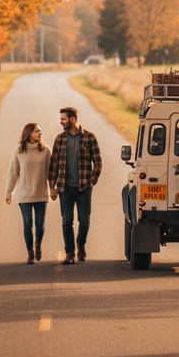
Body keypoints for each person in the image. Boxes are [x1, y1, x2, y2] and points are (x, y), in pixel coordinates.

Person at [49, 106, 102, 265]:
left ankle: (81, 243)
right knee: (66, 221)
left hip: (84, 187)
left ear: (72, 119)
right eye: (61, 119)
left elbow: (97, 162)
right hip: (65, 188)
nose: (61, 122)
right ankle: (70, 253)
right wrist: (52, 187)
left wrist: (92, 180)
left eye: (63, 119)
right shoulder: (60, 139)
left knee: (84, 220)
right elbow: (54, 164)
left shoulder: (89, 137)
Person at [5, 123, 51, 264]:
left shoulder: (46, 150)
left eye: (40, 131)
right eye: (37, 131)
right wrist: (9, 192)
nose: (40, 133)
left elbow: (51, 172)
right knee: (27, 223)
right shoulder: (19, 151)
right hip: (24, 194)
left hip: (41, 193)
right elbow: (13, 172)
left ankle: (38, 245)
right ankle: (30, 252)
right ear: (29, 133)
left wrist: (53, 188)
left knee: (40, 224)